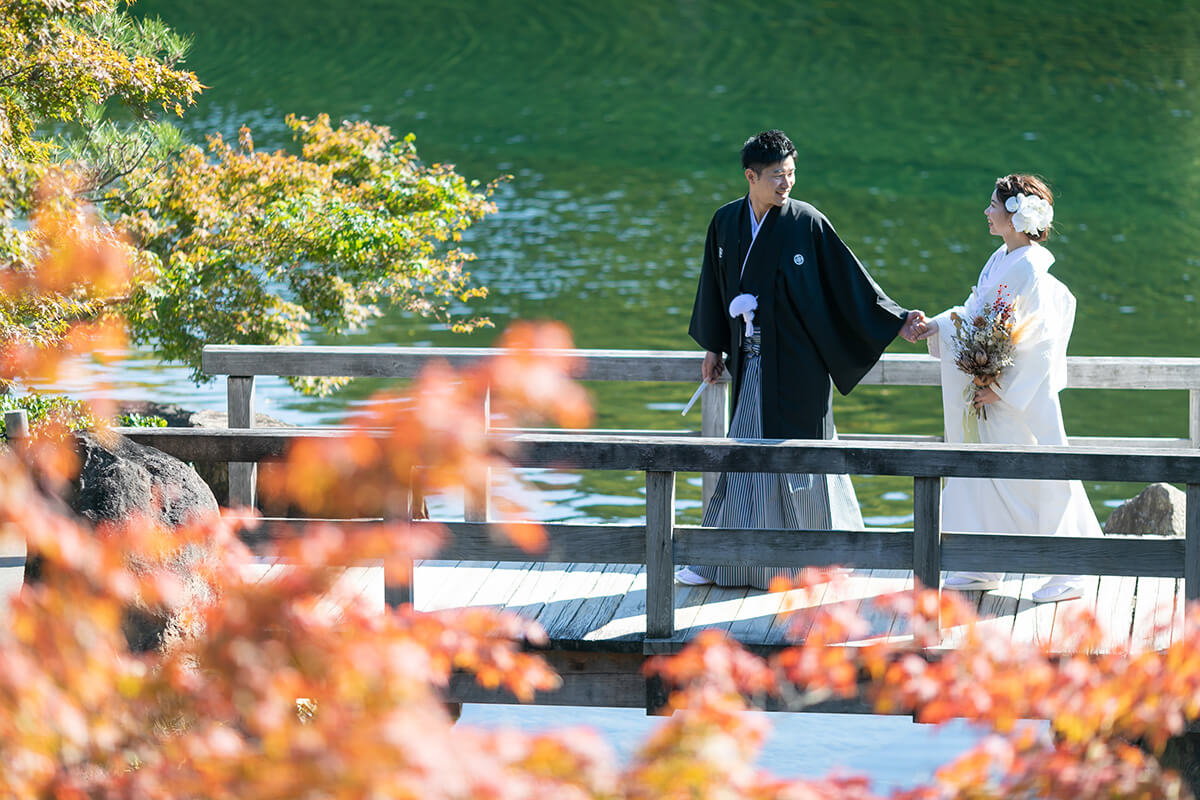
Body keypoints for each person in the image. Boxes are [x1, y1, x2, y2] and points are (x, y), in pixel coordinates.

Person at [674, 129, 926, 590]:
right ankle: (724, 562)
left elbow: (850, 282)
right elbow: (713, 285)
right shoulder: (725, 222)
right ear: (750, 176)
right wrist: (713, 346)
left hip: (801, 365)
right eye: (776, 176)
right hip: (751, 364)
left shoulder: (805, 222)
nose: (786, 184)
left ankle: (817, 563)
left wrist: (897, 319)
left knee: (806, 459)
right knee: (746, 459)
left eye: (791, 173)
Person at [918, 174, 1101, 604]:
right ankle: (981, 561)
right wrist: (938, 325)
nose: (986, 211)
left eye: (993, 204)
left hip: (1019, 400)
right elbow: (974, 313)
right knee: (986, 476)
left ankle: (1071, 567)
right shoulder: (1002, 258)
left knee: (1037, 480)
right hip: (991, 391)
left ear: (1016, 214)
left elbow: (1042, 343)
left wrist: (1003, 389)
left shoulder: (1032, 270)